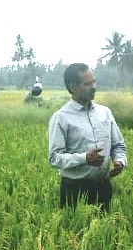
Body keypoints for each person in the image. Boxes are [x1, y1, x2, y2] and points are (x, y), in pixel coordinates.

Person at [48, 63, 127, 211]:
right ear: (72, 87)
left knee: (104, 231)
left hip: (103, 186)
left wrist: (119, 161)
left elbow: (118, 146)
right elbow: (54, 158)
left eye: (94, 81)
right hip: (74, 189)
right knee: (75, 232)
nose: (94, 86)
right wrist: (84, 158)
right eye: (87, 83)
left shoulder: (105, 113)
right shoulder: (61, 118)